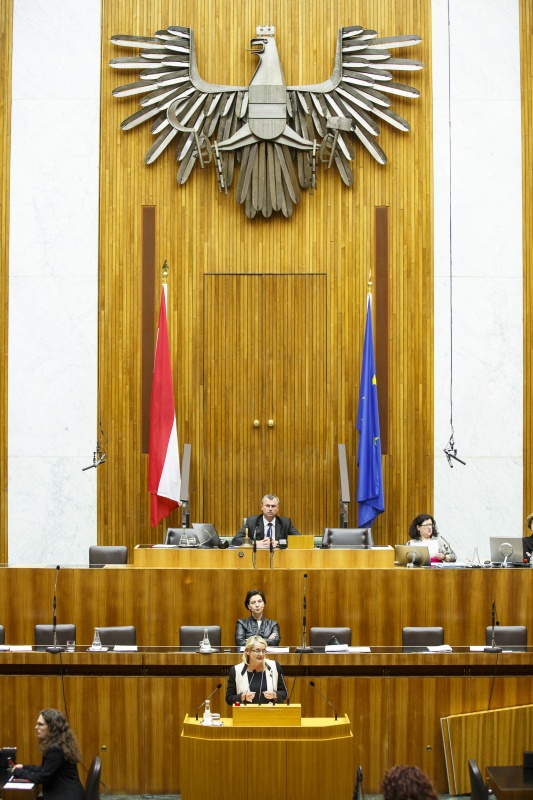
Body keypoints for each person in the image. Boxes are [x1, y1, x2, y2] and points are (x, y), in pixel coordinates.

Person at [12, 709, 85, 800]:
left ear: (52, 728)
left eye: (40, 724)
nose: (36, 727)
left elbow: (42, 777)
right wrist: (24, 767)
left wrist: (19, 772)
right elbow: (45, 769)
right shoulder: (59, 744)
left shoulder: (55, 749)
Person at [226, 635, 287, 705]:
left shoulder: (274, 666)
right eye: (257, 651)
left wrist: (275, 695)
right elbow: (229, 698)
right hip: (246, 714)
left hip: (270, 713)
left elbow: (284, 692)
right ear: (247, 651)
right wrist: (242, 697)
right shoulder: (236, 670)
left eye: (263, 651)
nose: (261, 654)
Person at [231, 494, 300, 548]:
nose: (270, 509)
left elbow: (299, 540)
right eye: (267, 506)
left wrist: (278, 543)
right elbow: (236, 540)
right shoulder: (252, 521)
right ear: (262, 507)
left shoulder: (285, 522)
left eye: (273, 506)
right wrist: (255, 543)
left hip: (279, 557)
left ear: (278, 508)